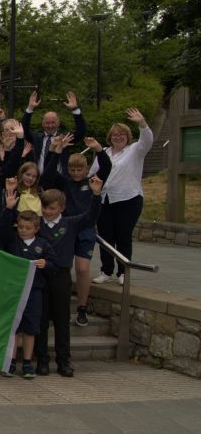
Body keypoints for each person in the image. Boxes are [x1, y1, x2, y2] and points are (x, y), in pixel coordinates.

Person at [35, 176, 104, 377]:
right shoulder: (36, 224)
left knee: (61, 320)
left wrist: (96, 195)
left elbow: (91, 217)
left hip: (61, 277)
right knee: (41, 320)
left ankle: (63, 360)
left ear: (62, 208)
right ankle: (42, 360)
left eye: (52, 208)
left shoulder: (70, 223)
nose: (48, 212)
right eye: (45, 208)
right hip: (40, 276)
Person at [42, 135, 112, 324]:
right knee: (60, 268)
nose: (75, 173)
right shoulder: (64, 182)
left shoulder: (91, 182)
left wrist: (98, 149)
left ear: (86, 169)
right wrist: (56, 152)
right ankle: (53, 305)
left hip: (85, 228)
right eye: (72, 169)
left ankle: (82, 307)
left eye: (79, 169)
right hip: (65, 228)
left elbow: (106, 167)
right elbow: (47, 175)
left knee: (82, 269)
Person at [91, 107, 152, 285]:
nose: (118, 137)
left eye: (122, 134)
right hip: (105, 199)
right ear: (110, 137)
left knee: (123, 236)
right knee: (105, 237)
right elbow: (94, 173)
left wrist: (142, 123)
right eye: (115, 134)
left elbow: (147, 140)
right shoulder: (104, 152)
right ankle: (106, 270)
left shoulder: (135, 150)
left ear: (127, 136)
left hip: (128, 199)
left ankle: (124, 271)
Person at [0, 195, 58, 380]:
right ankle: (11, 361)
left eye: (28, 228)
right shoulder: (12, 242)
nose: (24, 231)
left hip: (34, 292)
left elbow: (54, 265)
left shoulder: (43, 245)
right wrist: (9, 209)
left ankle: (27, 363)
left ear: (36, 229)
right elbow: (2, 228)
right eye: (21, 227)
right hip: (14, 292)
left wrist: (45, 264)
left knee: (31, 328)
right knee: (14, 327)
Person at [21, 91, 86, 171]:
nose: (50, 126)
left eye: (53, 123)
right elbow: (23, 129)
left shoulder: (64, 139)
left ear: (58, 123)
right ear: (42, 124)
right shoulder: (36, 138)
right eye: (47, 123)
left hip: (60, 180)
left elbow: (81, 132)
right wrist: (30, 108)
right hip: (39, 179)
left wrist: (75, 109)